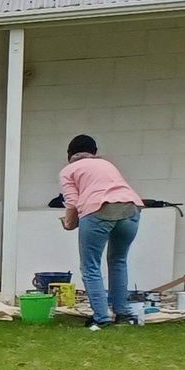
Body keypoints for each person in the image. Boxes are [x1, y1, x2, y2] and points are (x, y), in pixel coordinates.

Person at [60, 134, 145, 329]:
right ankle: (122, 314)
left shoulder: (69, 170)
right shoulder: (107, 164)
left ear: (69, 154)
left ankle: (101, 318)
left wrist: (69, 224)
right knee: (119, 261)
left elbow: (72, 202)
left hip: (98, 210)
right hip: (130, 209)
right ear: (94, 152)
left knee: (90, 266)